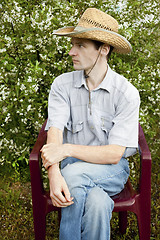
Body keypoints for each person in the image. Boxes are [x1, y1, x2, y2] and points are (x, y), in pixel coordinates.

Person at [41, 8, 140, 240]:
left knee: (73, 176)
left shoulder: (126, 93)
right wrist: (54, 174)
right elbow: (54, 131)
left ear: (103, 50)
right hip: (71, 166)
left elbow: (115, 154)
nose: (71, 51)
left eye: (81, 45)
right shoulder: (61, 85)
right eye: (73, 44)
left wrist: (65, 150)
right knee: (97, 203)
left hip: (111, 170)